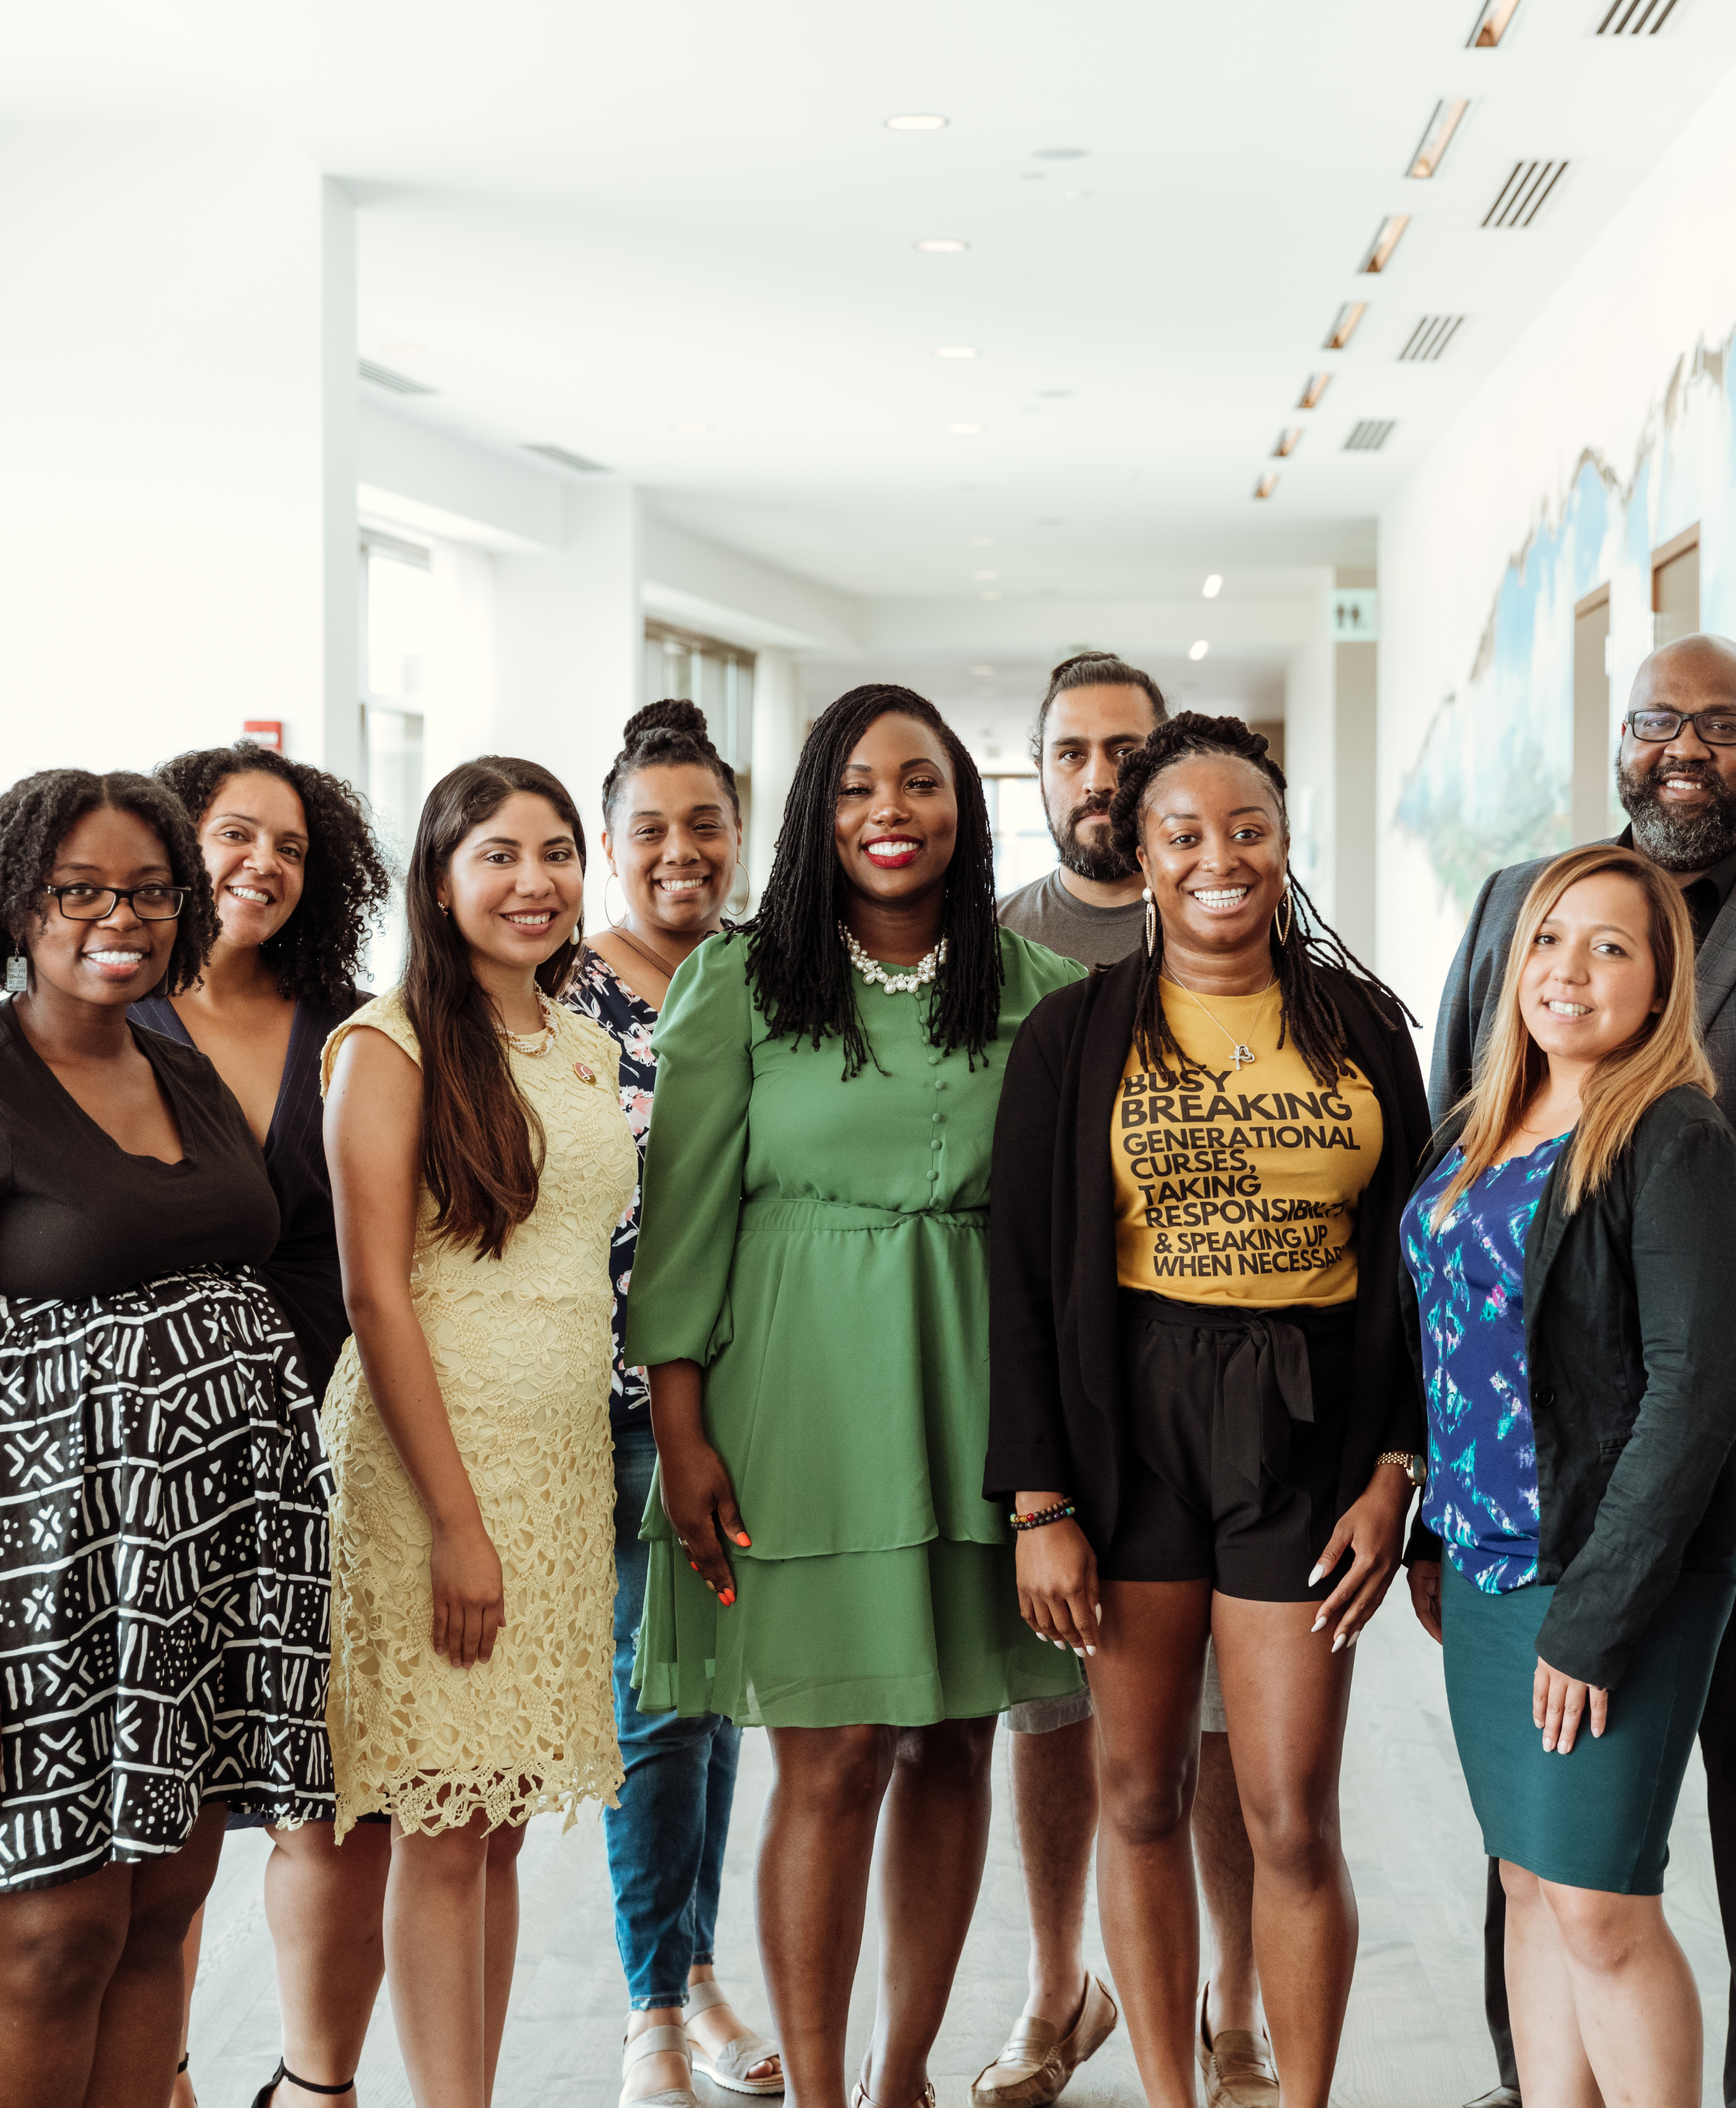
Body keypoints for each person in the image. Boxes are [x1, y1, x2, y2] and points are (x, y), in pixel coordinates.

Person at [1426, 631, 1736, 2108]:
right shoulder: (1521, 905)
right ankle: (1541, 2082)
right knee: (1546, 1863)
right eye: (1657, 721)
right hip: (1522, 1502)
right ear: (1620, 735)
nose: (1685, 749)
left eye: (1722, 724)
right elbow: (1466, 1157)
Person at [0, 769, 333, 2108]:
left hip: (197, 1563)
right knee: (53, 1938)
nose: (126, 917)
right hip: (34, 1583)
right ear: (14, 907)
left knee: (159, 1913)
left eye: (152, 891)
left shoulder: (177, 1065)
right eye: (83, 892)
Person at [631, 683, 1084, 2108]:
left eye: (924, 784)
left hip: (979, 1394)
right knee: (830, 1756)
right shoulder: (742, 981)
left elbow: (1065, 1241)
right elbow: (685, 1221)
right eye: (857, 789)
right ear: (816, 815)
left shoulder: (1039, 994)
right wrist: (683, 1433)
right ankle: (822, 2092)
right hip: (801, 1401)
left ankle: (904, 2081)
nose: (892, 813)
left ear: (967, 806)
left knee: (952, 1740)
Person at [989, 714, 1426, 2108]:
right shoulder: (1071, 1036)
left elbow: (1417, 1255)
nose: (1220, 859)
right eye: (1186, 834)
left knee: (1289, 1812)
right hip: (1132, 1428)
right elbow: (1023, 1277)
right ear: (1145, 854)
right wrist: (1040, 1500)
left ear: (1286, 847)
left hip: (1307, 1428)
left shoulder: (1363, 1024)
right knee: (1137, 1794)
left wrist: (1394, 1466)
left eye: (1248, 831)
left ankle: (1297, 2096)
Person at [1402, 842, 1736, 2108]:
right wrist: (1432, 1537)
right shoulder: (1481, 1125)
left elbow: (1692, 1398)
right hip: (1490, 1565)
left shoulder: (1676, 1141)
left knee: (1602, 1906)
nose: (1571, 969)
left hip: (1612, 1582)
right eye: (1551, 939)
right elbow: (1452, 1347)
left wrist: (1597, 1619)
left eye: (1613, 947)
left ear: (1661, 985)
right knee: (1526, 1881)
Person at [315, 756, 633, 2108]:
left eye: (557, 852)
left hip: (561, 1461)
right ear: (439, 880)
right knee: (441, 1828)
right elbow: (374, 1294)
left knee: (499, 1828)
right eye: (498, 855)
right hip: (435, 1466)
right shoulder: (383, 1047)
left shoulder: (582, 1043)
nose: (534, 881)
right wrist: (455, 1522)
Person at [987, 651, 1271, 2108]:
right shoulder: (1006, 953)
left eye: (1126, 750)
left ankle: (1231, 2002)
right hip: (1069, 1410)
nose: (1100, 775)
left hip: (1230, 1420)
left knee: (1223, 1727)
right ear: (1039, 772)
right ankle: (1058, 1988)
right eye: (1073, 751)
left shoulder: (1282, 966)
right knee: (1057, 1720)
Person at [140, 742, 389, 2108]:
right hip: (159, 1464)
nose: (262, 865)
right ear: (173, 844)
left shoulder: (355, 1027)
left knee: (331, 1798)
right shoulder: (97, 1011)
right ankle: (162, 2075)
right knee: (165, 1811)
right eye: (235, 835)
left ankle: (316, 2086)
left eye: (290, 846)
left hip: (331, 1452)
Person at [564, 702, 784, 2106]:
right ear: (610, 845)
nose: (680, 851)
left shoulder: (769, 980)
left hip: (760, 1385)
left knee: (715, 1704)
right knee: (653, 1699)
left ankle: (693, 1971)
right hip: (616, 1395)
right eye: (650, 828)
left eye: (706, 824)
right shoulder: (556, 995)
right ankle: (653, 1998)